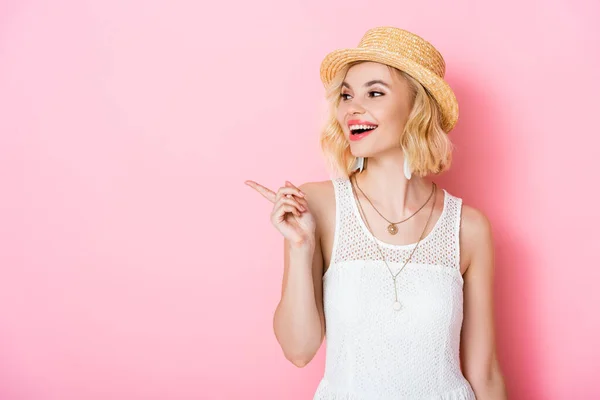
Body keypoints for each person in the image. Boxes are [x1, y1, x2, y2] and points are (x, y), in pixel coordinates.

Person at [245, 26, 507, 399]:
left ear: (417, 108)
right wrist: (301, 248)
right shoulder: (317, 205)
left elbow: (486, 374)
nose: (352, 107)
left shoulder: (469, 228)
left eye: (375, 92)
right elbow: (299, 351)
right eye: (347, 94)